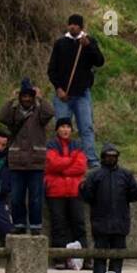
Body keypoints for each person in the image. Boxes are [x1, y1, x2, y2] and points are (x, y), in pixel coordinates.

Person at [79, 144, 137, 273]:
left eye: (114, 156)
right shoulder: (95, 175)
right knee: (100, 259)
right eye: (108, 155)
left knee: (116, 259)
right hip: (100, 224)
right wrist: (82, 189)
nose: (111, 158)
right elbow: (88, 198)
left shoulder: (125, 175)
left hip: (120, 225)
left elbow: (132, 196)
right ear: (103, 157)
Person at [0, 78, 54, 234]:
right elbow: (1, 116)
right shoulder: (14, 112)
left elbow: (50, 112)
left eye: (30, 95)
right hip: (17, 162)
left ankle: (36, 226)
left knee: (36, 198)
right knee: (16, 197)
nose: (27, 99)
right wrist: (11, 98)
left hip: (36, 162)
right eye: (24, 96)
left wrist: (41, 98)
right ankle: (19, 224)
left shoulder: (39, 112)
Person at [47, 13, 103, 168]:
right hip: (62, 95)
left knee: (86, 127)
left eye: (76, 25)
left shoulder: (88, 42)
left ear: (81, 27)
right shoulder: (60, 43)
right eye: (70, 24)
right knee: (62, 128)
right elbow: (52, 69)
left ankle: (90, 159)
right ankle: (61, 158)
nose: (72, 27)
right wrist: (58, 88)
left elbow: (99, 62)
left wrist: (89, 46)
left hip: (82, 94)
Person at [45, 118, 89, 268]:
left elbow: (81, 167)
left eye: (68, 127)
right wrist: (71, 159)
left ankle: (85, 258)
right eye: (62, 126)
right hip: (55, 191)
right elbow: (52, 164)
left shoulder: (78, 144)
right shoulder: (51, 144)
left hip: (75, 190)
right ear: (57, 129)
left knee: (79, 224)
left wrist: (62, 168)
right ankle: (59, 259)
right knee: (58, 225)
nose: (65, 129)